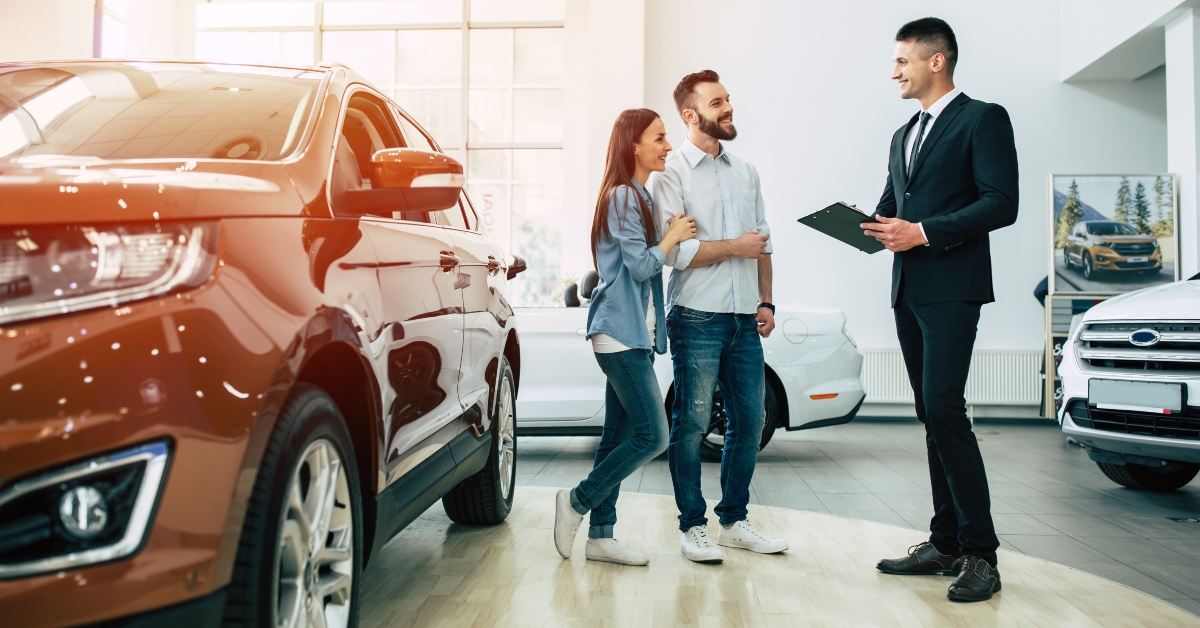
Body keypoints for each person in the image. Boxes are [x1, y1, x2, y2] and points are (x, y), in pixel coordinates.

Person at [862, 18, 1018, 602]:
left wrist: (923, 232)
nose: (894, 71)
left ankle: (982, 554)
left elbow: (1002, 203)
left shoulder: (983, 118)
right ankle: (946, 540)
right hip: (909, 291)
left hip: (953, 286)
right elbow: (890, 207)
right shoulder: (903, 134)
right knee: (932, 415)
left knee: (946, 411)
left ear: (936, 61)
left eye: (902, 61)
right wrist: (865, 226)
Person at [651, 70, 788, 563]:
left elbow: (763, 243)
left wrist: (765, 301)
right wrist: (735, 246)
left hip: (742, 318)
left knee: (749, 422)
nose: (728, 108)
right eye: (717, 102)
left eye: (728, 99)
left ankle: (733, 519)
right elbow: (676, 254)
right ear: (691, 115)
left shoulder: (745, 171)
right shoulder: (670, 175)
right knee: (690, 424)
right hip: (696, 317)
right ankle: (693, 526)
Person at [553, 108, 697, 565]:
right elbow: (640, 267)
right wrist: (672, 235)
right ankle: (576, 501)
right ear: (633, 144)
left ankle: (600, 535)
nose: (668, 145)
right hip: (617, 332)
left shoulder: (636, 194)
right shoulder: (622, 196)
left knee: (617, 435)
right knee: (654, 435)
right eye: (658, 137)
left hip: (632, 333)